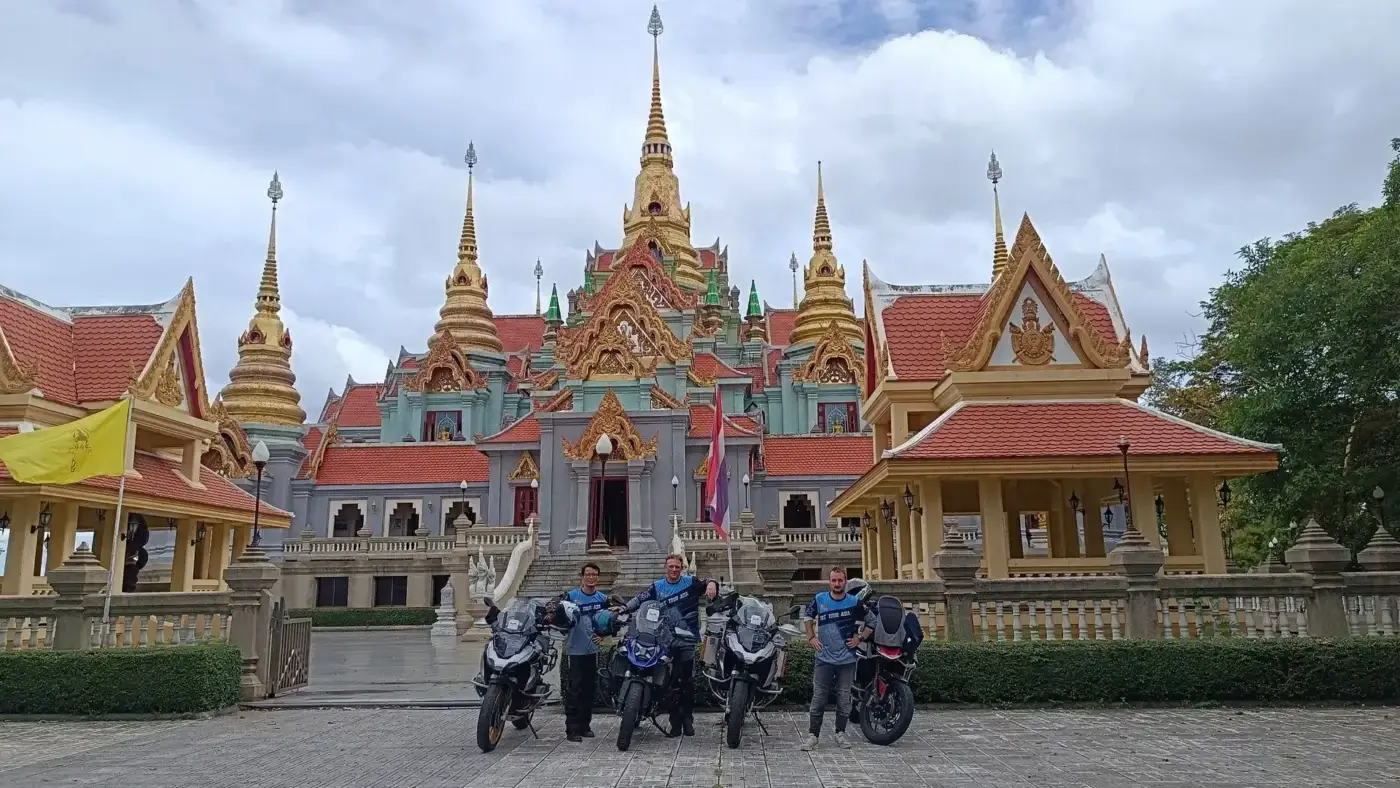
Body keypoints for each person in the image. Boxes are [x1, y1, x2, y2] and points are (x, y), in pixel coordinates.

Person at [620, 554, 718, 737]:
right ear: (666, 567)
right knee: (669, 684)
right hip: (664, 641)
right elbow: (640, 599)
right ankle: (675, 723)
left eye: (677, 567)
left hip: (687, 640)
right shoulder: (657, 587)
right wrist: (623, 609)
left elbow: (709, 583)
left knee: (686, 683)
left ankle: (688, 720)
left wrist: (712, 584)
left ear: (682, 568)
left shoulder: (691, 582)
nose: (674, 570)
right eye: (671, 566)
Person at [799, 567, 873, 751]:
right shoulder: (820, 599)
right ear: (829, 582)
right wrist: (811, 637)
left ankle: (840, 733)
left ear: (845, 581)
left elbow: (872, 621)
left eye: (840, 580)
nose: (837, 584)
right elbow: (807, 616)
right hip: (823, 658)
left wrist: (860, 638)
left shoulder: (854, 601)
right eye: (834, 580)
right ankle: (813, 735)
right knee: (818, 698)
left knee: (844, 699)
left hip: (847, 659)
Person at [555, 563, 609, 742]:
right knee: (575, 689)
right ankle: (572, 729)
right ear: (582, 577)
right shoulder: (571, 596)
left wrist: (604, 636)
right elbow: (559, 619)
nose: (591, 577)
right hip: (574, 650)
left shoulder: (602, 598)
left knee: (589, 688)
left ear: (598, 577)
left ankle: (585, 726)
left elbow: (608, 621)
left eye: (594, 575)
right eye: (588, 574)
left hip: (592, 650)